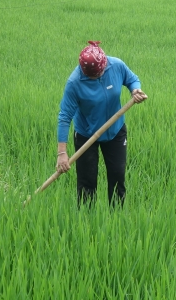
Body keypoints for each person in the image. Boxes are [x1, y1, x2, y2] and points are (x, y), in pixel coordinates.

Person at [55, 41, 147, 207]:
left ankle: (116, 218)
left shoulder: (116, 65)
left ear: (104, 65)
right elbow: (64, 117)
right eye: (91, 75)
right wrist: (62, 153)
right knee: (87, 181)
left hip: (115, 131)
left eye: (98, 74)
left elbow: (132, 79)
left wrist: (135, 90)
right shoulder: (74, 83)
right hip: (86, 134)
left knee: (117, 175)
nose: (95, 77)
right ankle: (86, 219)